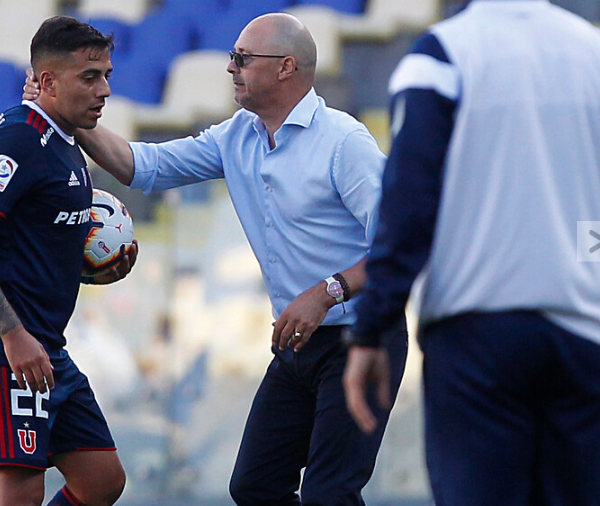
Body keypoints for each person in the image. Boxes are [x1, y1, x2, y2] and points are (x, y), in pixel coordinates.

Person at [25, 12, 407, 506]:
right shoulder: (238, 135)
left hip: (363, 338)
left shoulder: (343, 143)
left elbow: (401, 241)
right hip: (298, 343)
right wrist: (65, 115)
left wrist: (328, 291)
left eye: (242, 58)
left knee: (329, 493)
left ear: (286, 67)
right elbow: (143, 167)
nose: (231, 67)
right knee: (254, 486)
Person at [342, 1, 600, 505]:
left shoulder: (442, 54)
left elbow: (409, 204)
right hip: (583, 332)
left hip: (477, 335)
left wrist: (372, 327)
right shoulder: (592, 51)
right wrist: (586, 266)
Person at [0, 16, 137, 506]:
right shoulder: (21, 137)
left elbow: (29, 243)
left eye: (107, 75)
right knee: (17, 494)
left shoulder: (67, 141)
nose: (104, 90)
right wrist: (12, 335)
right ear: (47, 82)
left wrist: (94, 269)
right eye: (89, 77)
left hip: (44, 345)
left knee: (102, 480)